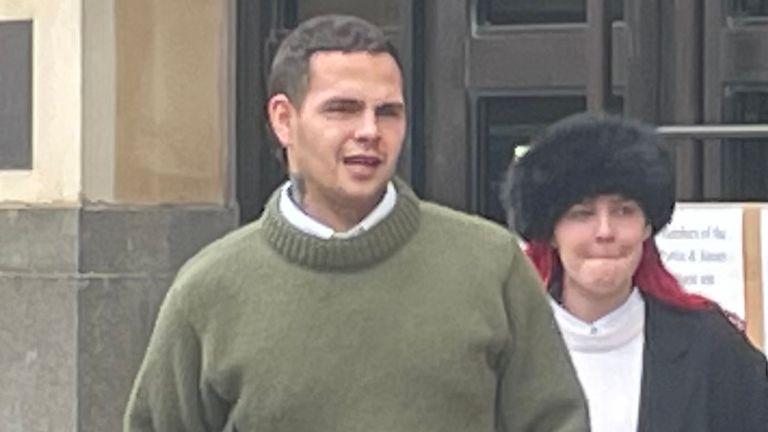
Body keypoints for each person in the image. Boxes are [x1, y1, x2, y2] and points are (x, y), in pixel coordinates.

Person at [123, 14, 589, 432]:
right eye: (342, 109)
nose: (369, 131)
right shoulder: (208, 290)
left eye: (388, 112)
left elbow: (556, 421)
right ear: (284, 120)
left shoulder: (490, 264)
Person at [503, 112, 768, 432]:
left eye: (624, 211)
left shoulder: (711, 347)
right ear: (551, 234)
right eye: (582, 214)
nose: (605, 231)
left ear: (646, 227)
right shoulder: (505, 346)